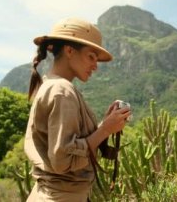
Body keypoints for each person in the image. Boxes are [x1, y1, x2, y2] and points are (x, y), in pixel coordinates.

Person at [24, 17, 131, 202]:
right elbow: (63, 159)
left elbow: (69, 144)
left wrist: (106, 126)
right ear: (69, 50)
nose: (95, 66)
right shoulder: (61, 91)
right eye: (91, 56)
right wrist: (105, 129)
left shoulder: (54, 85)